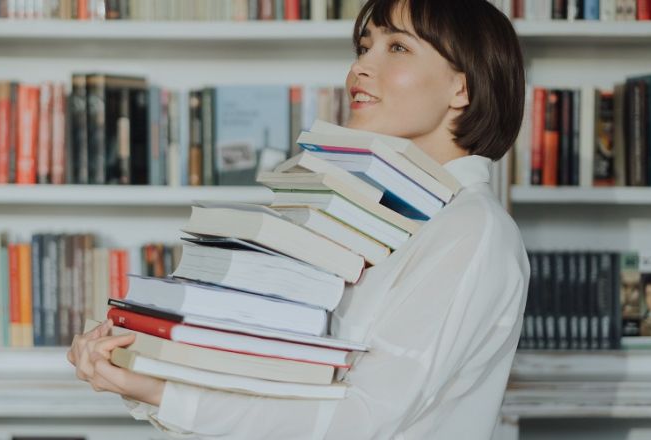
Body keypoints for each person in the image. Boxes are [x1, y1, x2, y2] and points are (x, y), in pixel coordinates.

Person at [67, 0, 530, 438]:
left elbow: (364, 419)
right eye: (364, 47)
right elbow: (288, 388)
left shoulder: (472, 230)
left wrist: (160, 393)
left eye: (398, 47)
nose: (361, 67)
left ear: (462, 87)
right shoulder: (374, 215)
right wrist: (138, 366)